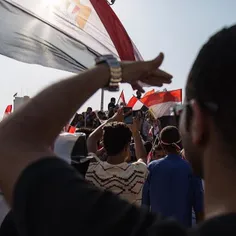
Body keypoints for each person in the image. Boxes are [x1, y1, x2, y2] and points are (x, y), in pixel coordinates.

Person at [142, 126, 204, 227]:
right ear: (180, 143)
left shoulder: (152, 168)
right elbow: (199, 210)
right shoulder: (191, 170)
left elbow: (145, 205)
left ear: (161, 145)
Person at [86, 110, 148, 205]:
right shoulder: (137, 173)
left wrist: (112, 119)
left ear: (104, 147)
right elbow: (142, 156)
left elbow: (92, 138)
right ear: (127, 147)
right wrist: (135, 132)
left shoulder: (92, 169)